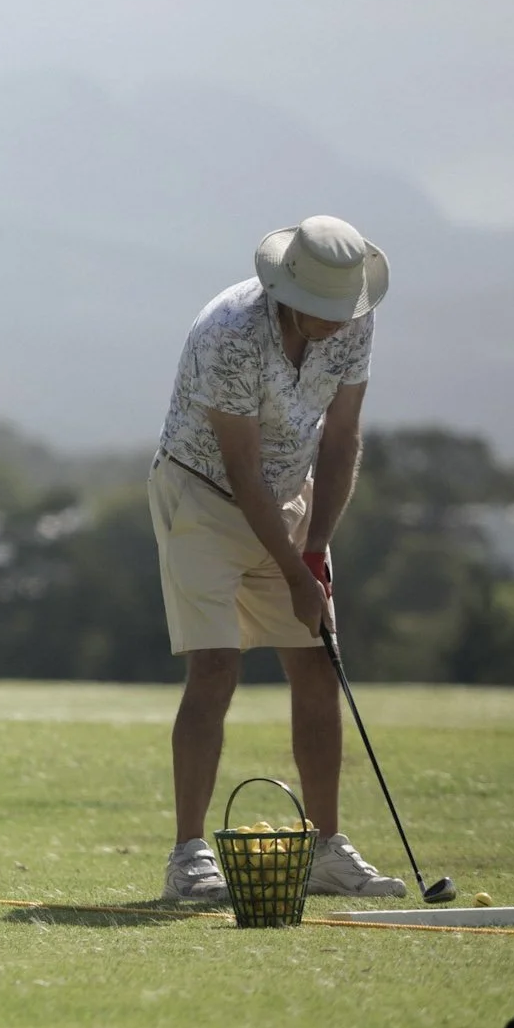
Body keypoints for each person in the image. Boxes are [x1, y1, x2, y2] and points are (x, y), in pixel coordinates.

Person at [149, 215, 407, 901]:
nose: (335, 323)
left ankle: (325, 847)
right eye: (323, 311)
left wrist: (315, 549)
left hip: (290, 495)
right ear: (288, 292)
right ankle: (188, 856)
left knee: (318, 664)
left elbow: (343, 439)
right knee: (215, 666)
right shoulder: (228, 333)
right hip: (200, 494)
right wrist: (293, 573)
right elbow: (239, 468)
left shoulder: (354, 321)